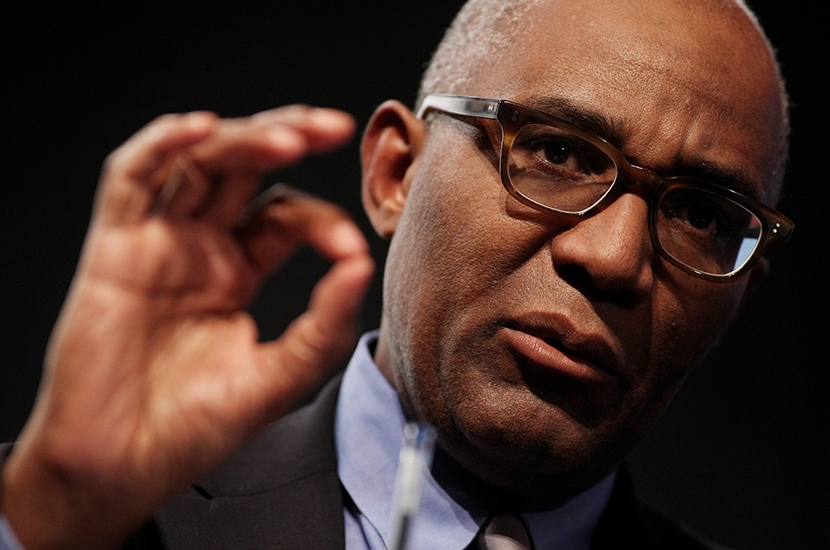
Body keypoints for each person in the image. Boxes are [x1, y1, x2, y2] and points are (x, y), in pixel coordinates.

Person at [0, 0, 793, 548]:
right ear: (395, 174)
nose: (614, 258)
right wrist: (57, 517)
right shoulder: (79, 523)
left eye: (700, 216)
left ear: (740, 295)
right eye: (557, 152)